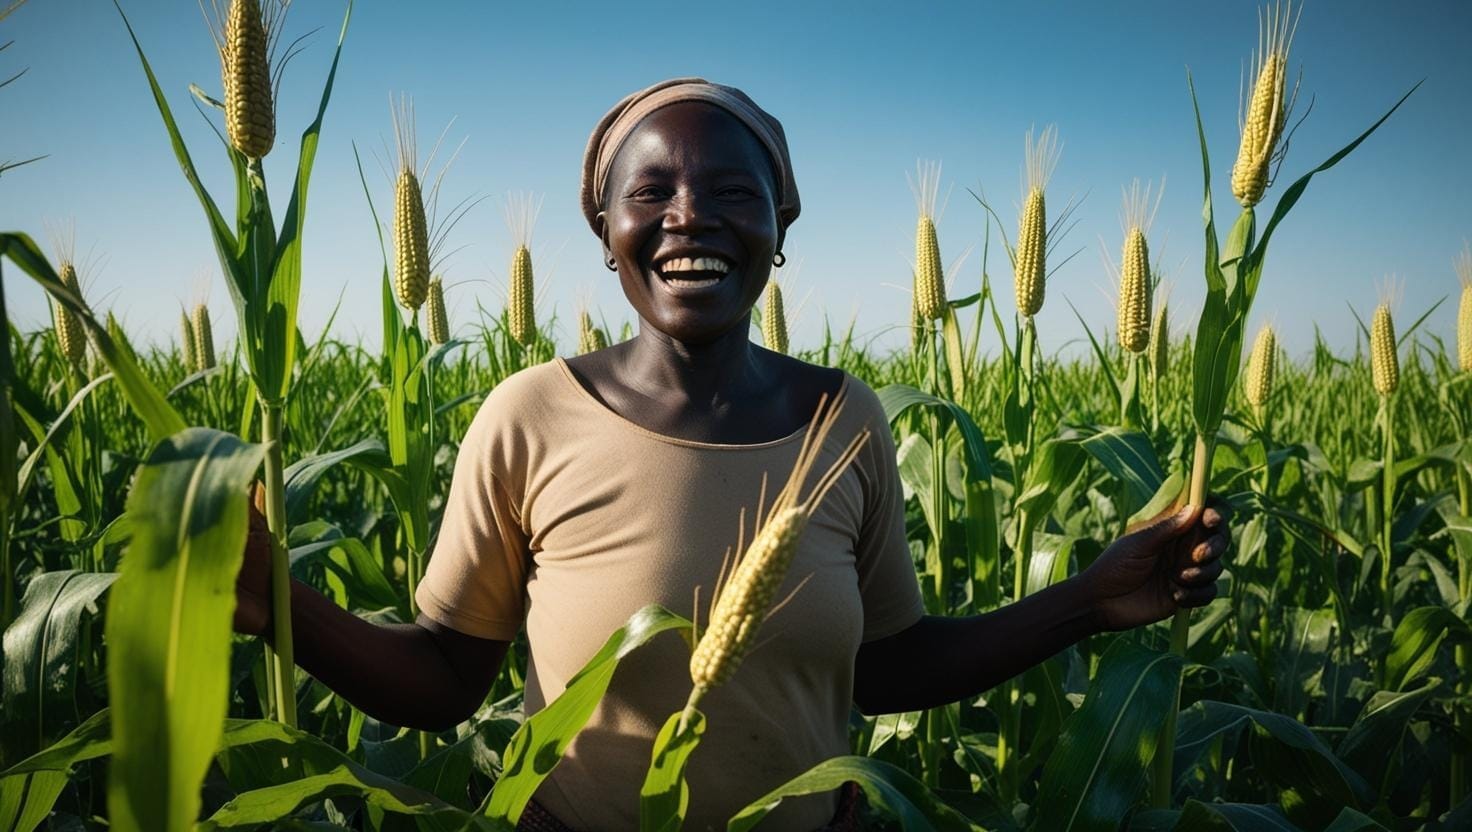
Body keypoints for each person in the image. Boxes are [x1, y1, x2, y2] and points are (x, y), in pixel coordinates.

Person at [234, 77, 1229, 832]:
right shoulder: (527, 415)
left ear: (777, 229)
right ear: (606, 230)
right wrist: (271, 595)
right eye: (650, 190)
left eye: (730, 191)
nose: (688, 216)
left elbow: (884, 668)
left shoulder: (844, 417)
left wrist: (1088, 600)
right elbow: (448, 678)